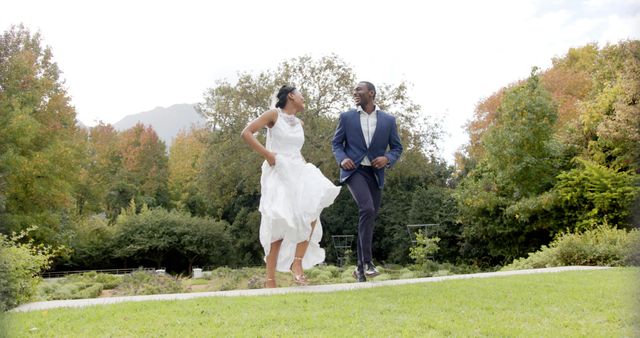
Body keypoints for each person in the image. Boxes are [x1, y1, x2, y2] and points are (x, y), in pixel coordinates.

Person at [241, 85, 341, 288]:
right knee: (279, 221)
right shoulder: (273, 115)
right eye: (301, 95)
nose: (304, 98)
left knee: (311, 213)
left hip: (297, 169)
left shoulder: (299, 123)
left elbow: (296, 149)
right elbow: (246, 133)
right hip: (277, 170)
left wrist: (303, 168)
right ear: (291, 96)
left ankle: (297, 265)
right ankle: (270, 281)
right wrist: (268, 155)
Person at [332, 81, 403, 282]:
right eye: (353, 89)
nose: (354, 92)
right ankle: (368, 262)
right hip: (354, 171)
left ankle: (360, 270)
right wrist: (342, 159)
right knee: (367, 209)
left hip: (375, 173)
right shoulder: (346, 117)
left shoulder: (388, 120)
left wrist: (387, 158)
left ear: (371, 93)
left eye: (359, 90)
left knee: (369, 218)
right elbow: (336, 143)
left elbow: (397, 148)